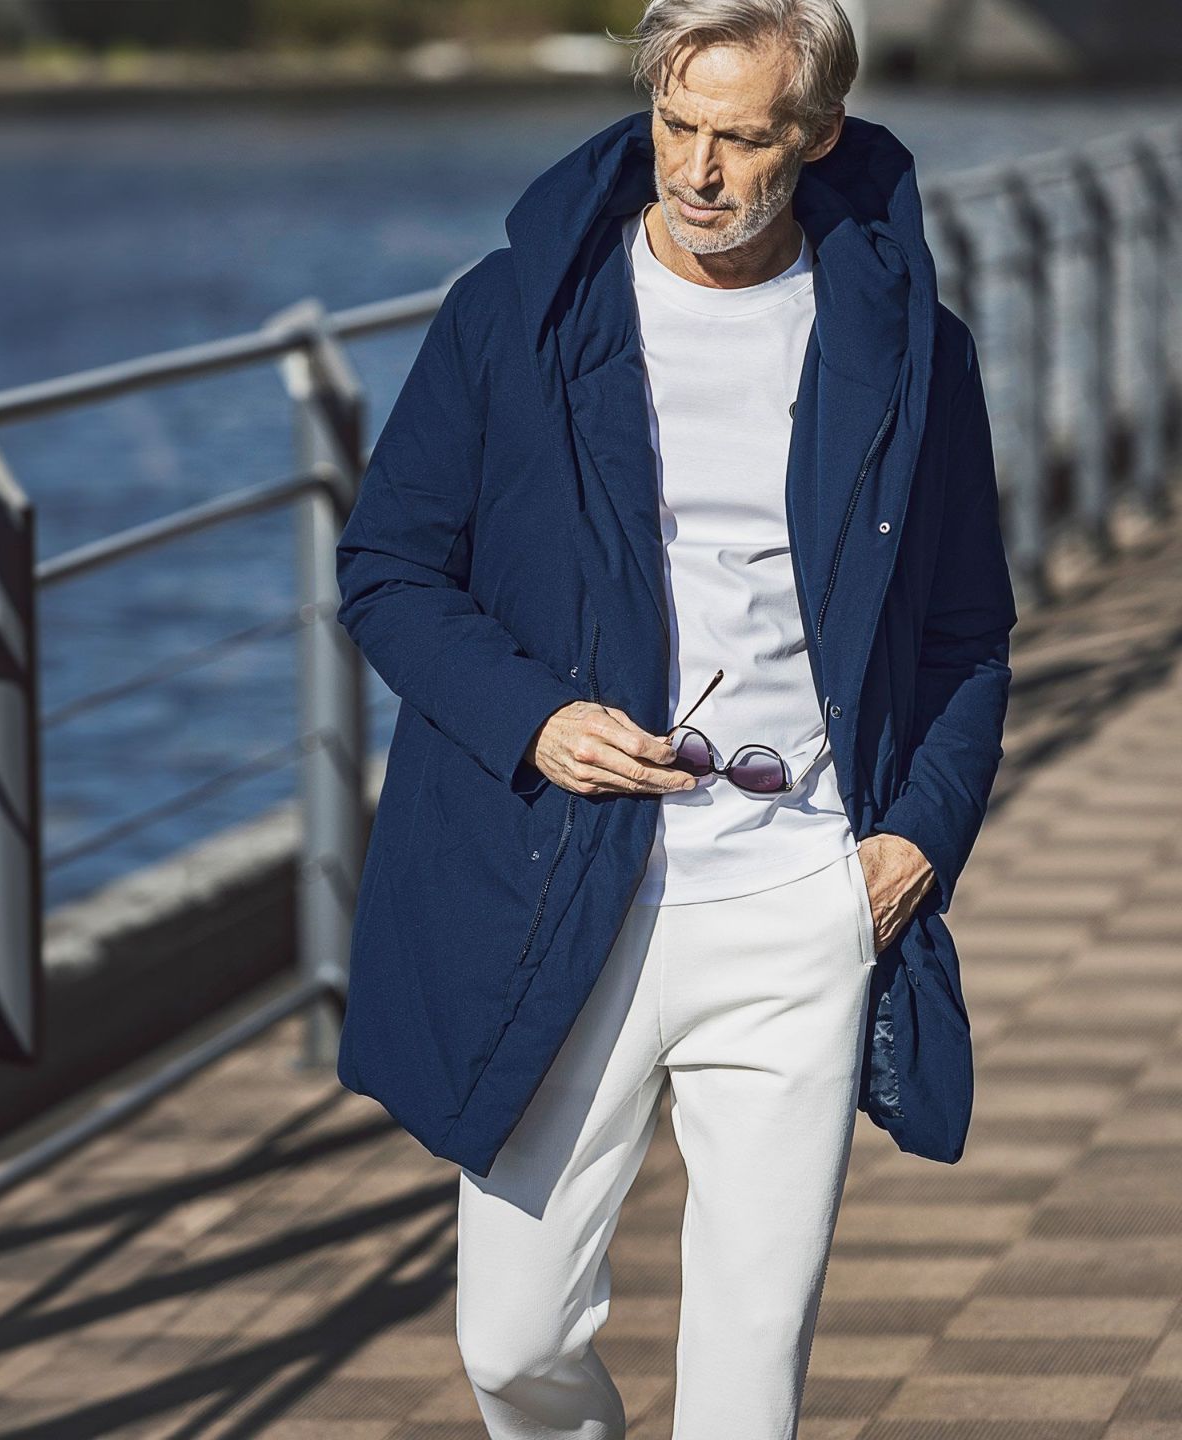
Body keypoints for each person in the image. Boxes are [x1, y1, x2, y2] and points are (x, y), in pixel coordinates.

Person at [333, 2, 1019, 1435]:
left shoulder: (907, 347)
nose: (700, 171)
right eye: (676, 124)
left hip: (798, 897)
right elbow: (388, 570)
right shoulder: (513, 315)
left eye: (744, 138)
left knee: (748, 1377)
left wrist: (917, 838)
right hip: (566, 890)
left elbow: (966, 628)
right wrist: (532, 718)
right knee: (513, 1343)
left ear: (817, 136)